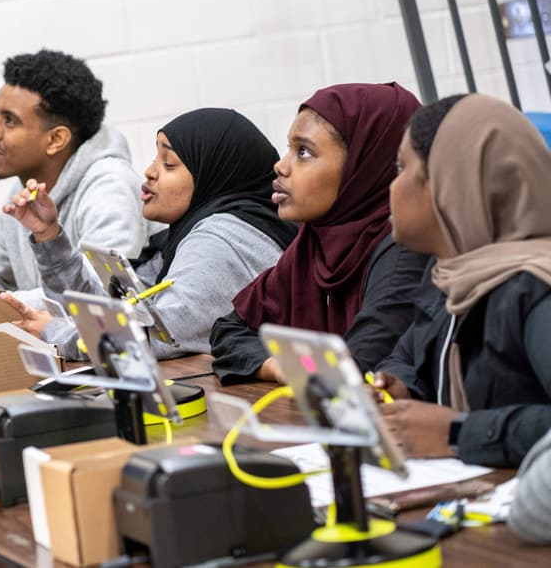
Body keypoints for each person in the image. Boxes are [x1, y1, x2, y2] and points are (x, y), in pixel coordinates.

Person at [4, 108, 296, 359]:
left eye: (169, 164)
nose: (149, 172)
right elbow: (109, 309)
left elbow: (152, 339)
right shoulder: (188, 235)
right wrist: (48, 235)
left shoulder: (222, 240)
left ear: (212, 173)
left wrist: (54, 332)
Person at [370, 94, 551, 469]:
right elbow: (407, 355)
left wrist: (457, 433)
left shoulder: (536, 287)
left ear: (449, 183)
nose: (392, 186)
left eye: (402, 168)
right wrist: (399, 387)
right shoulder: (454, 274)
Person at [209, 82, 430, 383]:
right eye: (289, 148)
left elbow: (353, 369)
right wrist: (276, 366)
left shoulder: (404, 249)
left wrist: (296, 366)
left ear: (362, 167)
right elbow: (229, 330)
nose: (280, 166)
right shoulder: (312, 244)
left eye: (303, 152)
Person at [0, 49, 146, 330]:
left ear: (56, 139)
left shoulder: (111, 188)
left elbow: (98, 298)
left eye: (9, 120)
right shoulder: (24, 189)